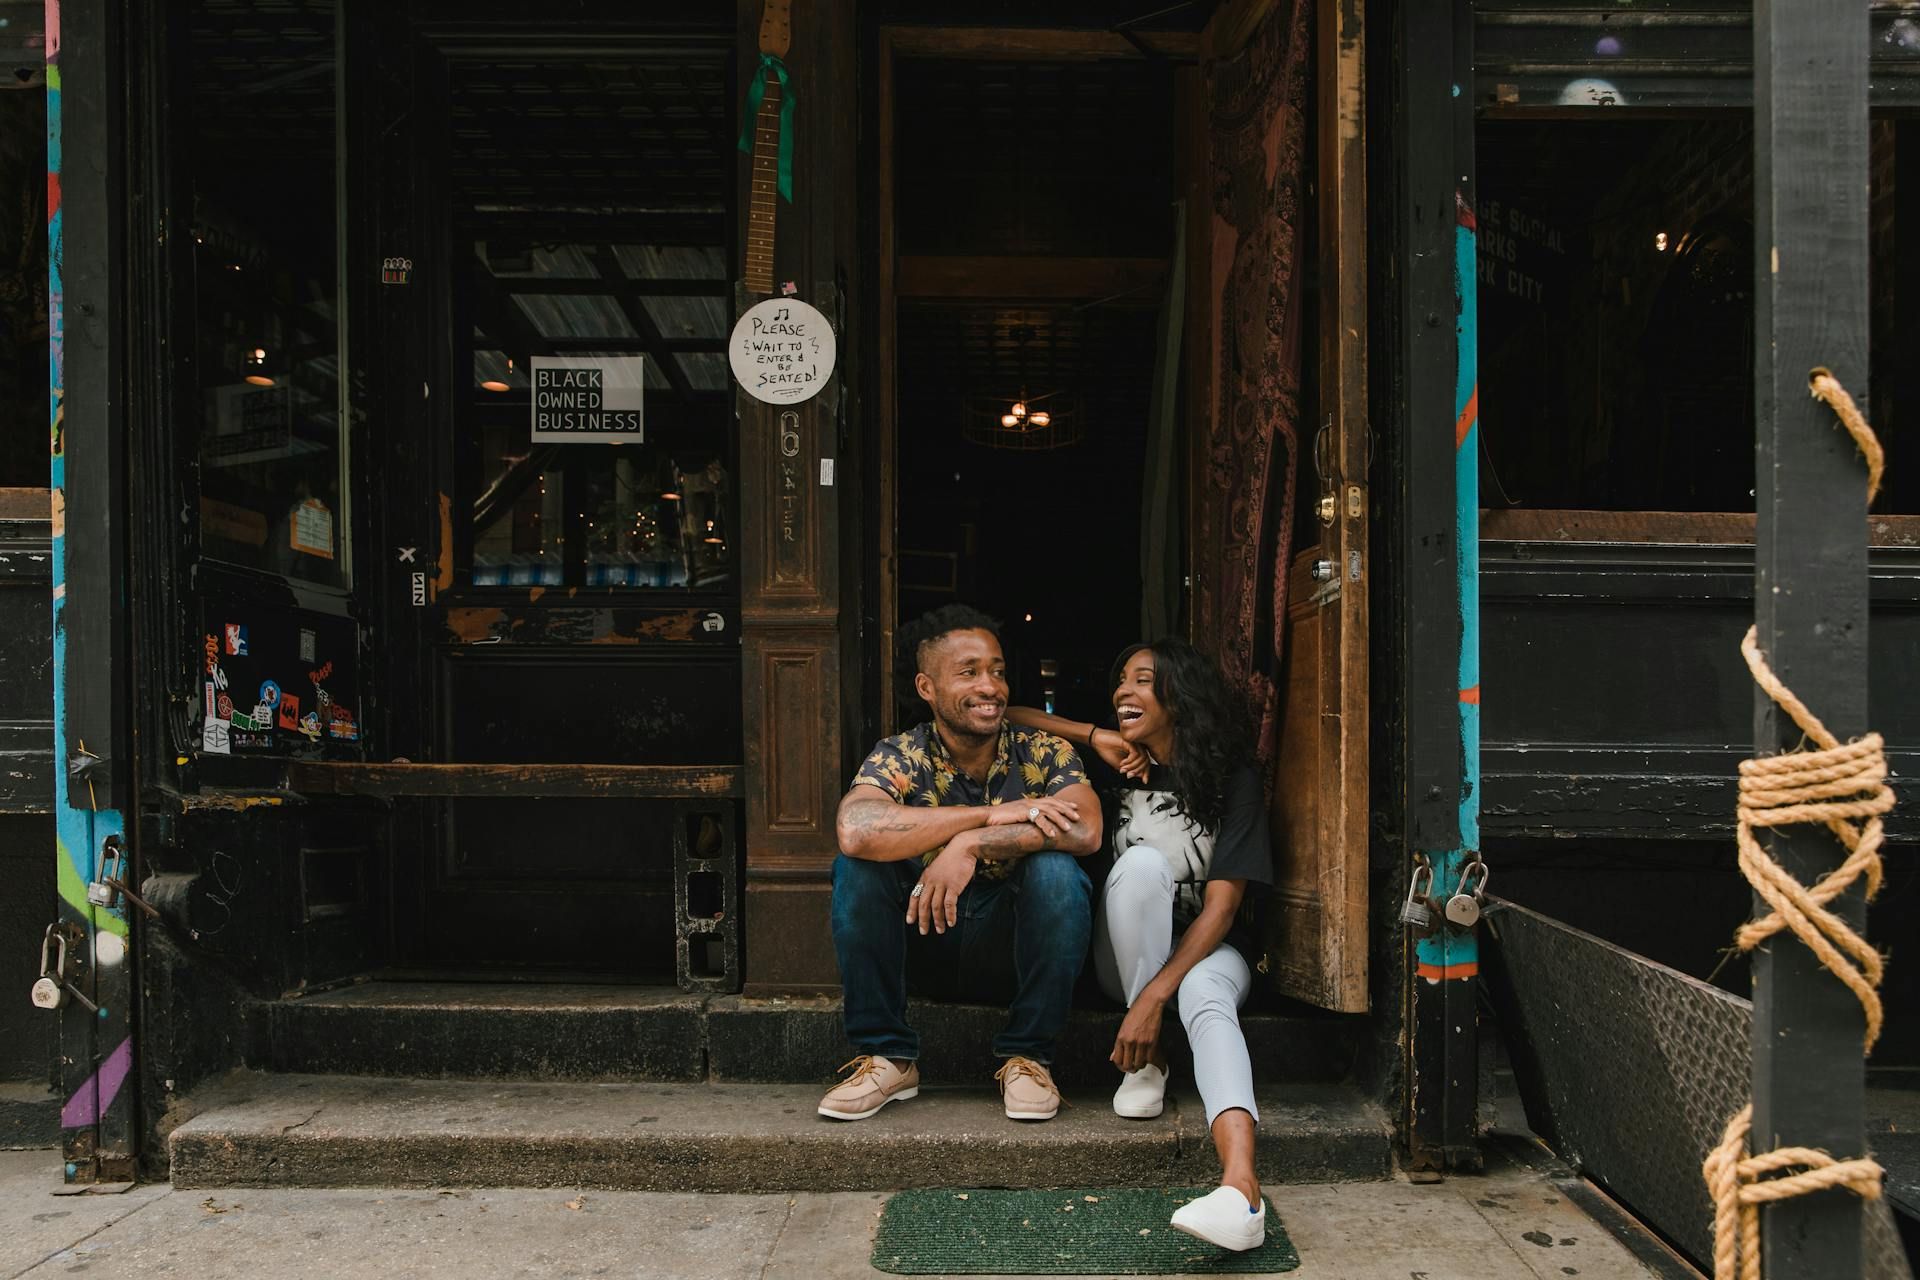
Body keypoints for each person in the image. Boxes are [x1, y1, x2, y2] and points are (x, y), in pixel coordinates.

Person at [1007, 639, 1275, 1252]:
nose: (1124, 691)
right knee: (1143, 868)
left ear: (1180, 696)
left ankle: (1241, 1190)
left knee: (1207, 988)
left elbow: (1224, 907)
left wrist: (1156, 999)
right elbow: (1013, 717)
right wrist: (1096, 735)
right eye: (1120, 680)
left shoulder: (1233, 779)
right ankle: (1145, 1064)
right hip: (1121, 961)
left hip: (1208, 952)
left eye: (1143, 681)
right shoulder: (1113, 764)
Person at [820, 605, 1102, 1124]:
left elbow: (1084, 829)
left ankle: (1029, 1058)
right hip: (923, 934)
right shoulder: (901, 754)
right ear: (927, 687)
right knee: (855, 867)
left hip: (1009, 944)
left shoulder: (1044, 750)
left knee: (1059, 872)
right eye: (968, 672)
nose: (990, 686)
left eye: (996, 670)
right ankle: (889, 1057)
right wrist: (990, 815)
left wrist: (970, 844)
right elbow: (856, 829)